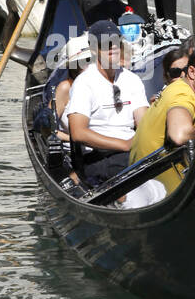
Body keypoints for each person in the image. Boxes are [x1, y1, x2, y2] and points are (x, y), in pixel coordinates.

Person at [62, 19, 149, 186]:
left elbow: (144, 123)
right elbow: (78, 133)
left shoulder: (133, 80)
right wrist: (124, 145)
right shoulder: (84, 83)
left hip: (133, 153)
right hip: (98, 158)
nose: (113, 47)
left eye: (116, 41)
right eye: (106, 43)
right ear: (94, 49)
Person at [125, 45, 195, 206]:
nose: (182, 76)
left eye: (185, 70)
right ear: (167, 77)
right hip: (156, 174)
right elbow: (179, 135)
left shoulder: (181, 93)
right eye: (176, 72)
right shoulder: (179, 94)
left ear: (191, 71)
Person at [54, 33, 92, 137]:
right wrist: (71, 139)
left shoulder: (105, 85)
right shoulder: (65, 88)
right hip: (74, 149)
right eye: (86, 61)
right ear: (73, 66)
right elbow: (48, 129)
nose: (92, 65)